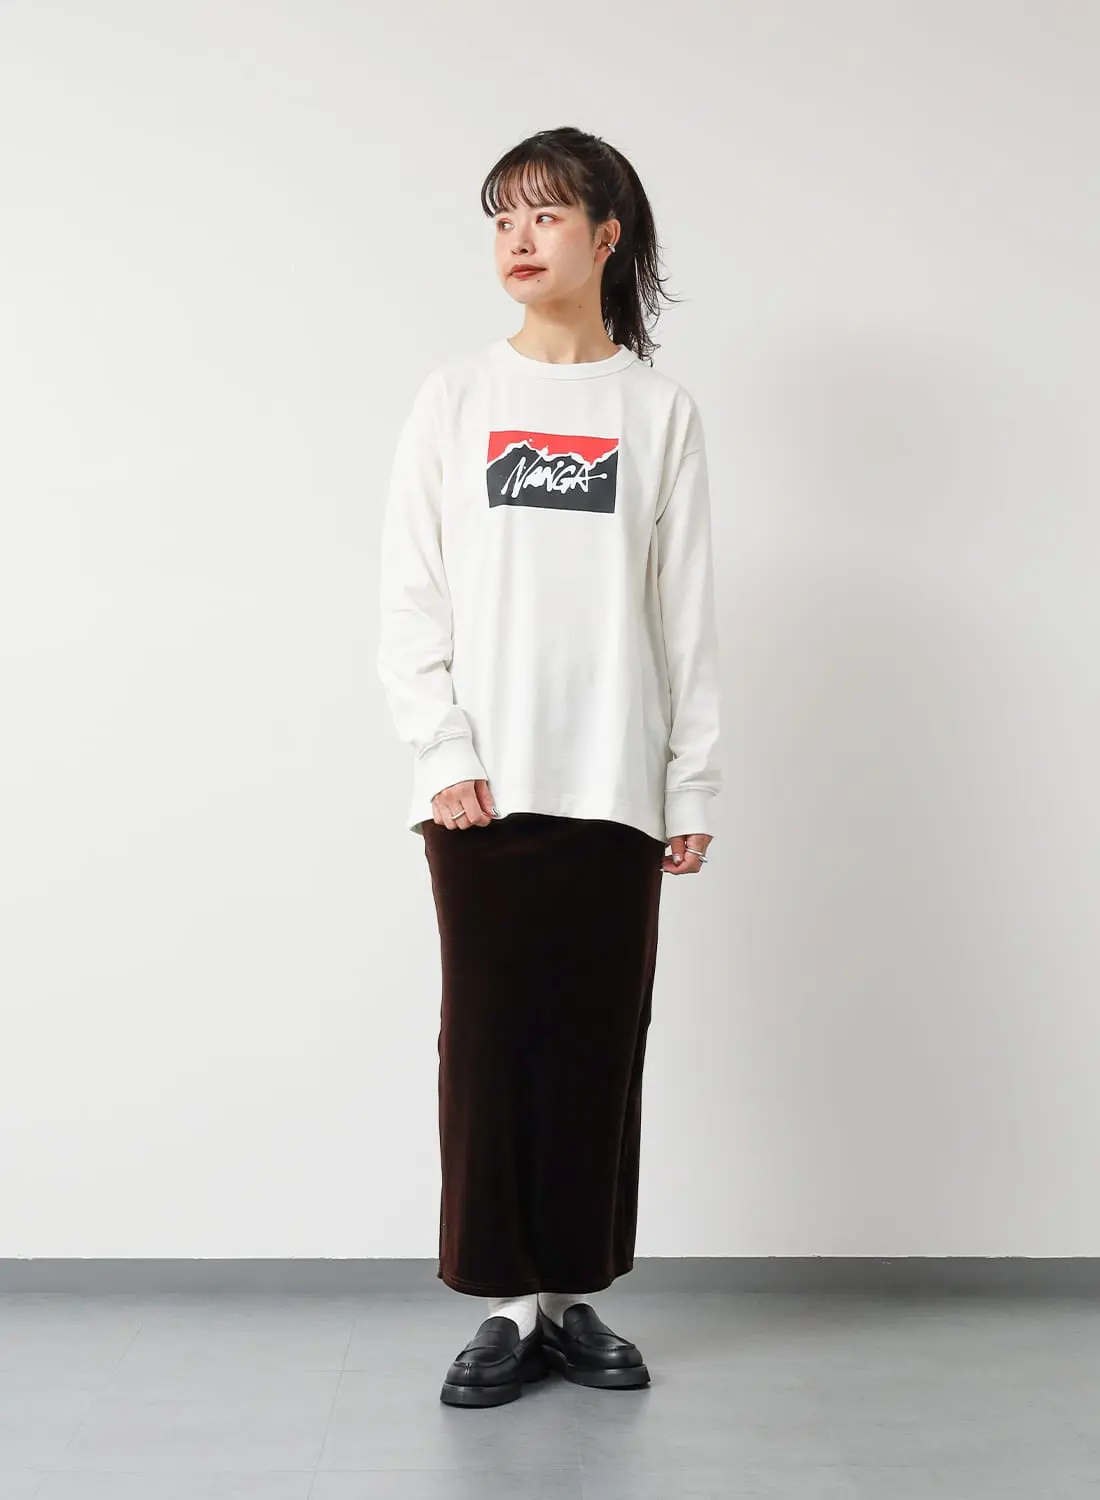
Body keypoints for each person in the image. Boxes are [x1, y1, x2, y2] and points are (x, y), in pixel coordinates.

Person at [376, 125, 722, 1409]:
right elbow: (409, 596)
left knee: (595, 1046)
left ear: (604, 236)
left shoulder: (656, 412)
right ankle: (502, 1306)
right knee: (486, 1046)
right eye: (501, 219)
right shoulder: (456, 398)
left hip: (614, 784)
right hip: (482, 786)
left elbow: (684, 616)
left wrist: (689, 782)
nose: (517, 241)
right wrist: (441, 747)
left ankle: (570, 1299)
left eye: (544, 216)